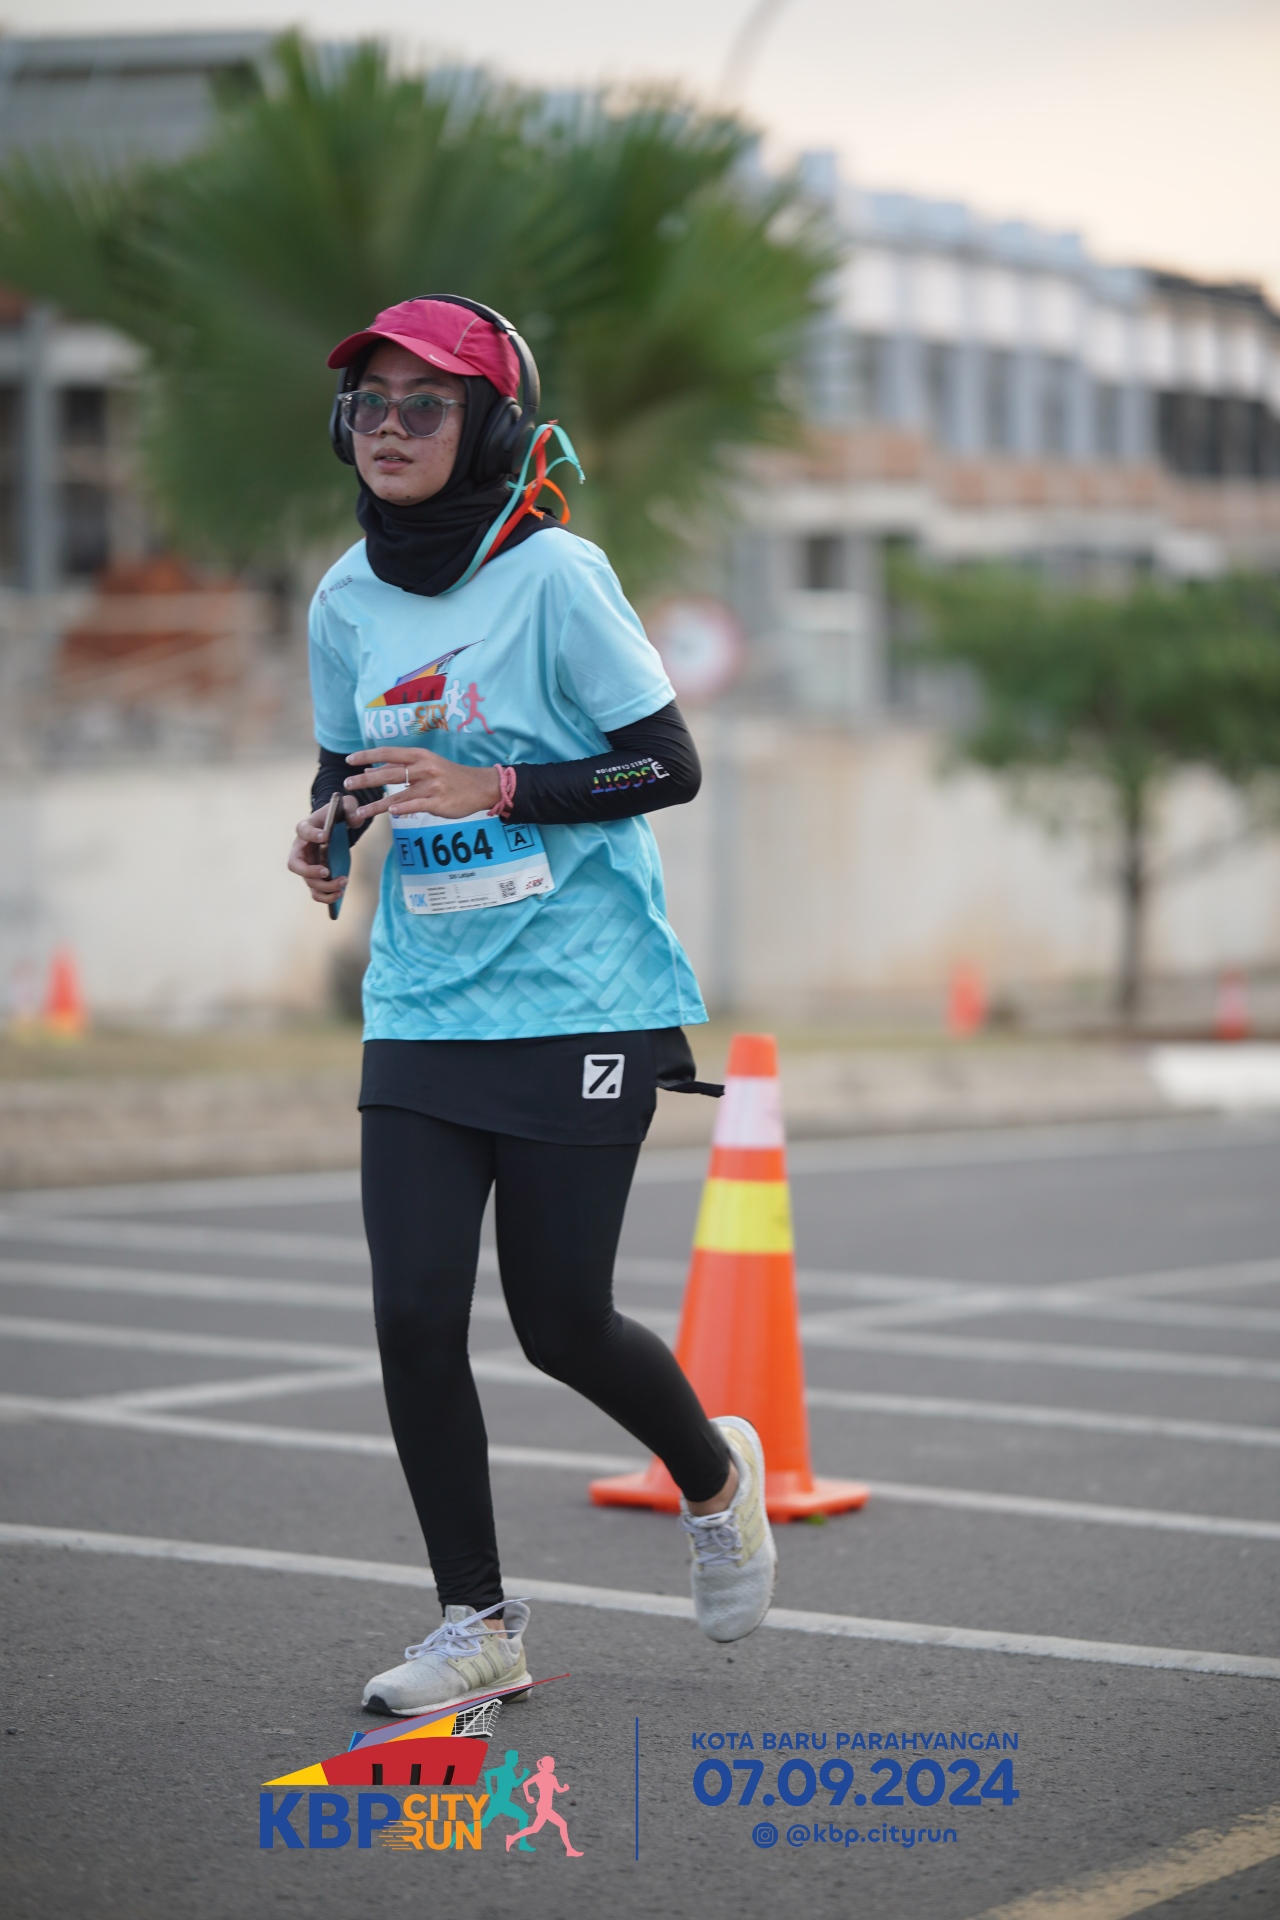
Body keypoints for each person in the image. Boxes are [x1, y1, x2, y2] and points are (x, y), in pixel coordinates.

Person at [288, 296, 776, 1718]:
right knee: (412, 1313)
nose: (388, 428)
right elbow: (348, 763)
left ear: (493, 426)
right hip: (425, 1002)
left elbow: (666, 765)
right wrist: (327, 831)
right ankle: (477, 1620)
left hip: (583, 998)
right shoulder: (345, 598)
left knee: (559, 1320)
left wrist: (495, 785)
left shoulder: (558, 575)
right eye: (370, 404)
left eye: (425, 405)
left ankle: (714, 1476)